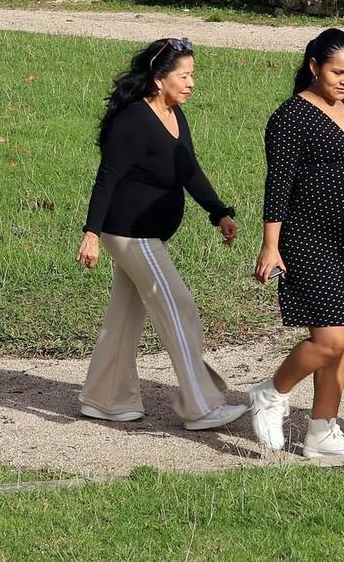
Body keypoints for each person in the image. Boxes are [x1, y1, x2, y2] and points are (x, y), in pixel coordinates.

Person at [245, 28, 344, 458]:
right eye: (337, 71)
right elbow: (277, 185)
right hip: (310, 238)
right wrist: (270, 245)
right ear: (313, 65)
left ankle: (321, 430)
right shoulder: (289, 117)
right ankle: (270, 392)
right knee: (330, 338)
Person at [77, 38, 247, 432]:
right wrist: (91, 232)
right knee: (179, 307)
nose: (190, 83)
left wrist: (218, 211)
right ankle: (199, 405)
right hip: (132, 233)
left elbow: (188, 170)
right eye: (183, 76)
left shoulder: (174, 114)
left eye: (192, 76)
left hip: (145, 234)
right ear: (158, 79)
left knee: (123, 316)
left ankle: (106, 400)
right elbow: (108, 178)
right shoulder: (134, 121)